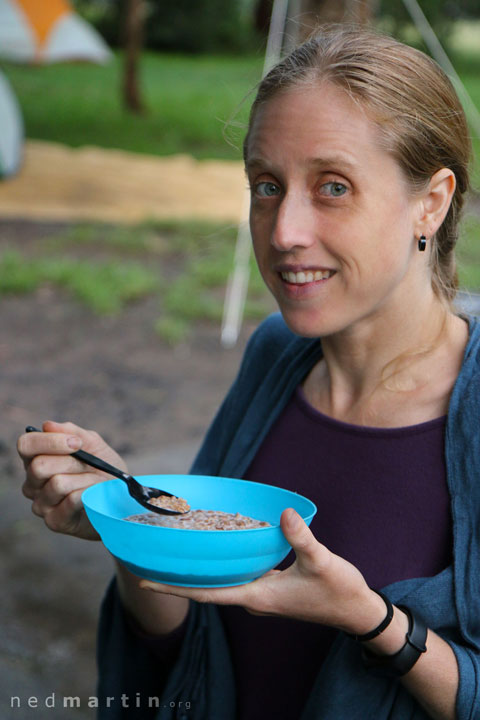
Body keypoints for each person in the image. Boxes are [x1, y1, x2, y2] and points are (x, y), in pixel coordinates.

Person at [17, 24, 480, 720]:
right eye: (267, 185)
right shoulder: (276, 356)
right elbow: (186, 644)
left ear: (432, 201)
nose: (284, 229)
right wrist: (130, 527)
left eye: (332, 186)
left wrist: (371, 620)